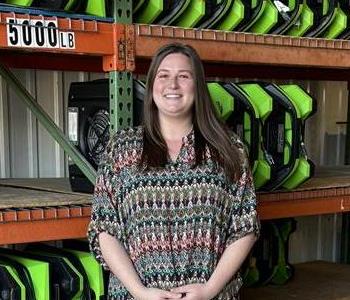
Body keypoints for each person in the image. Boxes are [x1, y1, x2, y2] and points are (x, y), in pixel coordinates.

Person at [88, 42, 260, 300]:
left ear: (197, 86)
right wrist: (139, 292)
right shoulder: (121, 149)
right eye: (164, 75)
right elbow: (104, 230)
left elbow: (245, 227)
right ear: (152, 85)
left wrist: (209, 290)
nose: (173, 85)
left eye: (183, 76)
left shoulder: (228, 149)